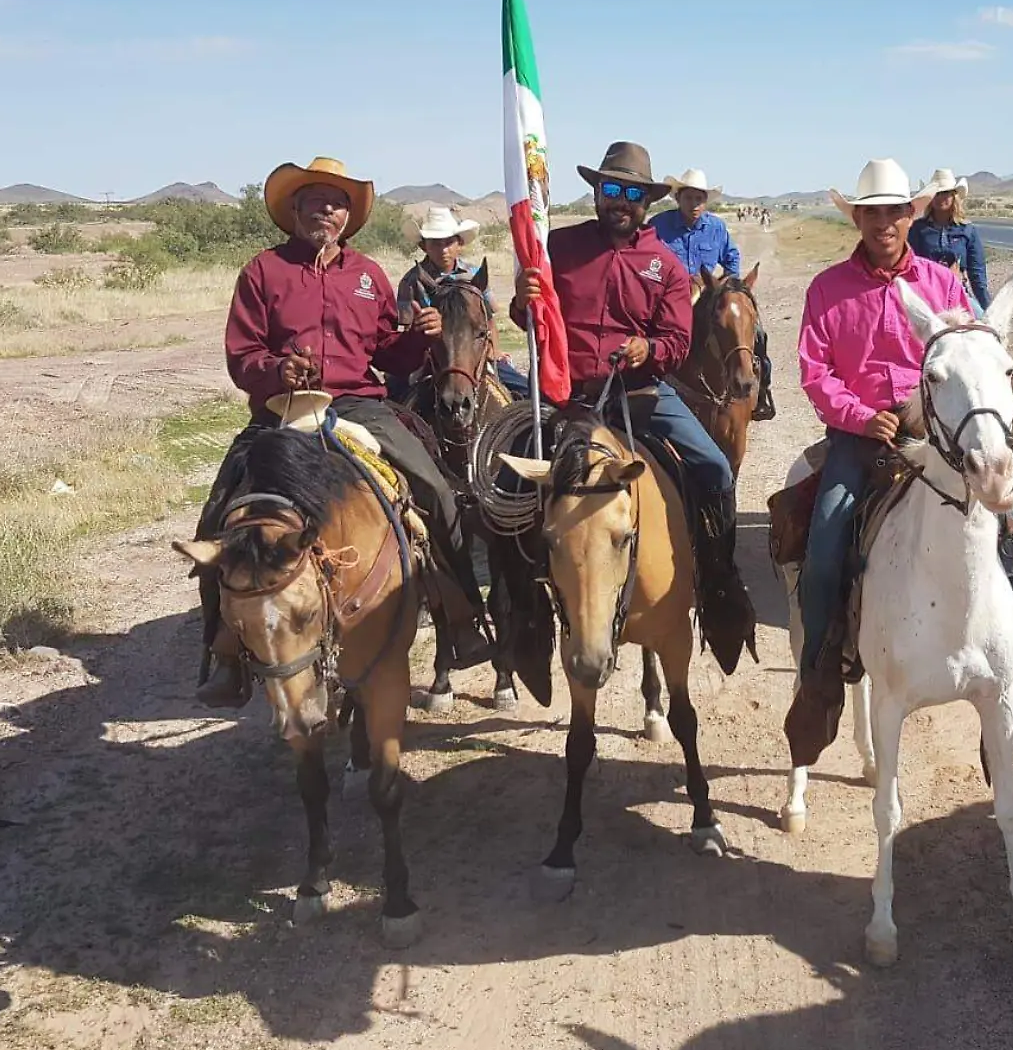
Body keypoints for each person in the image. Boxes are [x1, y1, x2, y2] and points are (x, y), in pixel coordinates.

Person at [194, 158, 492, 708]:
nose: (325, 212)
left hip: (358, 405)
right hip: (281, 411)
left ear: (347, 217)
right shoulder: (263, 271)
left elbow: (386, 349)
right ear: (295, 211)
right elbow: (242, 356)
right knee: (218, 516)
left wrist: (420, 338)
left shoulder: (368, 275)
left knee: (439, 492)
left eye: (335, 204)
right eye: (314, 202)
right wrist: (276, 370)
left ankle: (463, 617)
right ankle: (224, 653)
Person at [510, 142, 756, 669]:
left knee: (715, 468)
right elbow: (532, 321)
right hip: (572, 397)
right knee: (510, 484)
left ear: (646, 201)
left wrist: (649, 348)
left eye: (632, 193)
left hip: (643, 394)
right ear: (597, 194)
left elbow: (677, 343)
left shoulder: (663, 267)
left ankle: (717, 581)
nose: (620, 201)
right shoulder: (559, 247)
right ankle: (521, 610)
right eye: (611, 189)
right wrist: (524, 298)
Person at [795, 157, 1013, 679]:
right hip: (861, 438)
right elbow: (816, 372)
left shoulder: (942, 285)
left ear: (911, 215)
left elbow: (972, 355)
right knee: (824, 545)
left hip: (937, 436)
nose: (883, 223)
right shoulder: (826, 289)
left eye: (894, 212)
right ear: (856, 220)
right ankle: (818, 672)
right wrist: (860, 416)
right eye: (871, 213)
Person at [650, 168, 776, 421]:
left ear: (705, 201)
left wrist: (728, 285)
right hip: (670, 298)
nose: (694, 204)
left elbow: (732, 257)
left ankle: (761, 393)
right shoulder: (658, 226)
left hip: (709, 296)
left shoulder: (716, 227)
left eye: (699, 199)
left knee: (757, 334)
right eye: (689, 198)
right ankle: (648, 391)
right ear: (678, 198)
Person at [390, 205, 530, 400]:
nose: (443, 250)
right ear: (424, 246)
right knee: (392, 395)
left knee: (526, 390)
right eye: (435, 243)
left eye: (448, 242)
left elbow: (488, 318)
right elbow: (404, 326)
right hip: (427, 353)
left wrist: (495, 351)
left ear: (460, 244)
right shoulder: (411, 281)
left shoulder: (473, 276)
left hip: (471, 349)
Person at [907, 168, 991, 309]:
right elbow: (910, 267)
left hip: (959, 295)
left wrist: (987, 308)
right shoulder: (917, 229)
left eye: (945, 193)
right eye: (937, 194)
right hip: (926, 297)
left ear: (954, 196)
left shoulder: (968, 230)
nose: (941, 198)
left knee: (981, 322)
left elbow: (977, 276)